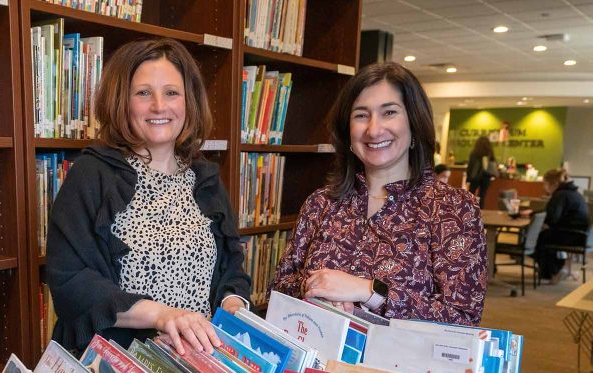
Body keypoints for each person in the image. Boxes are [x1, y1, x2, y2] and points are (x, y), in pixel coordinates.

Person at [46, 38, 250, 355]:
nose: (159, 106)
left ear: (189, 101)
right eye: (143, 93)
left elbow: (231, 266)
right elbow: (69, 281)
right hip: (119, 363)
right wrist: (162, 315)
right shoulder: (90, 175)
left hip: (198, 360)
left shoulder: (205, 179)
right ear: (121, 102)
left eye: (171, 93)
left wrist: (233, 304)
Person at [270, 62, 487, 325]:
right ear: (347, 130)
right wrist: (319, 290)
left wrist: (370, 292)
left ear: (414, 123)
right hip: (319, 357)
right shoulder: (321, 203)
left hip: (402, 363)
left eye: (389, 113)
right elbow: (280, 287)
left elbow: (463, 317)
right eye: (361, 115)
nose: (374, 130)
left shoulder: (454, 209)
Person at [534, 168, 590, 283]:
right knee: (544, 236)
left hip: (571, 236)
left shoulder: (560, 195)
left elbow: (552, 218)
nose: (544, 188)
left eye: (545, 184)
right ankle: (556, 269)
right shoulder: (573, 193)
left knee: (538, 239)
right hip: (581, 236)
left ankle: (553, 271)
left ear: (553, 184)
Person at [467, 135, 498, 208]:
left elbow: (470, 166)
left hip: (475, 177)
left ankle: (469, 209)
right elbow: (493, 165)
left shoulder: (474, 153)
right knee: (482, 195)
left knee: (471, 194)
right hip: (486, 177)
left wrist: (468, 177)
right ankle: (480, 211)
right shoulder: (489, 153)